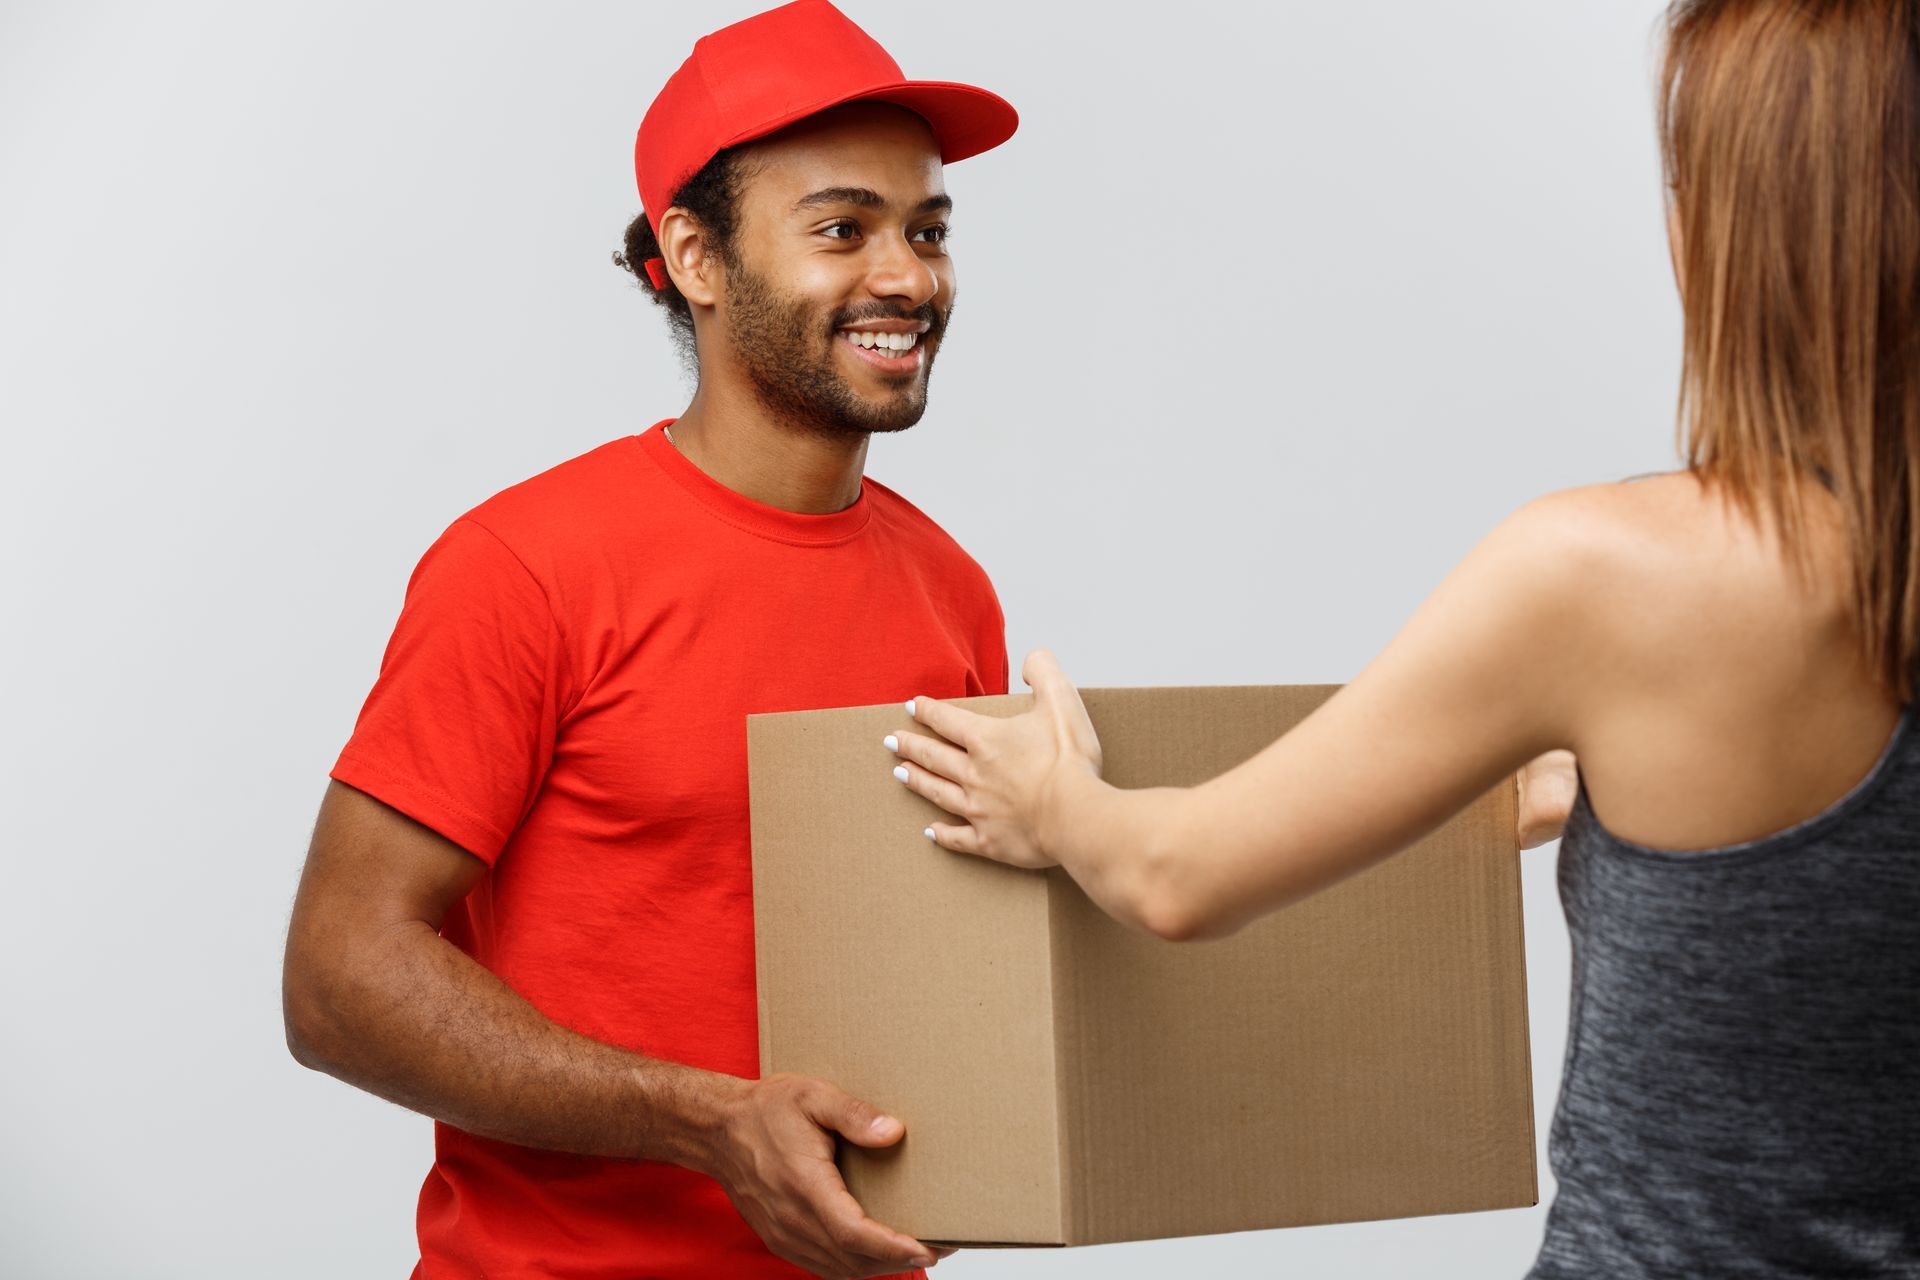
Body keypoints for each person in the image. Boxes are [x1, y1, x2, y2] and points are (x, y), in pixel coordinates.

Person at [890, 1, 1920, 1275]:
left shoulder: (1617, 575)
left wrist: (1053, 801)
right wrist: (1623, 794)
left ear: (1746, 221)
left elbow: (1179, 874)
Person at [280, 3, 1016, 1277]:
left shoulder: (953, 592)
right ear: (696, 256)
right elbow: (339, 979)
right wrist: (710, 1123)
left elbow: (955, 968)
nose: (908, 276)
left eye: (928, 229)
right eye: (842, 229)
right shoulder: (526, 566)